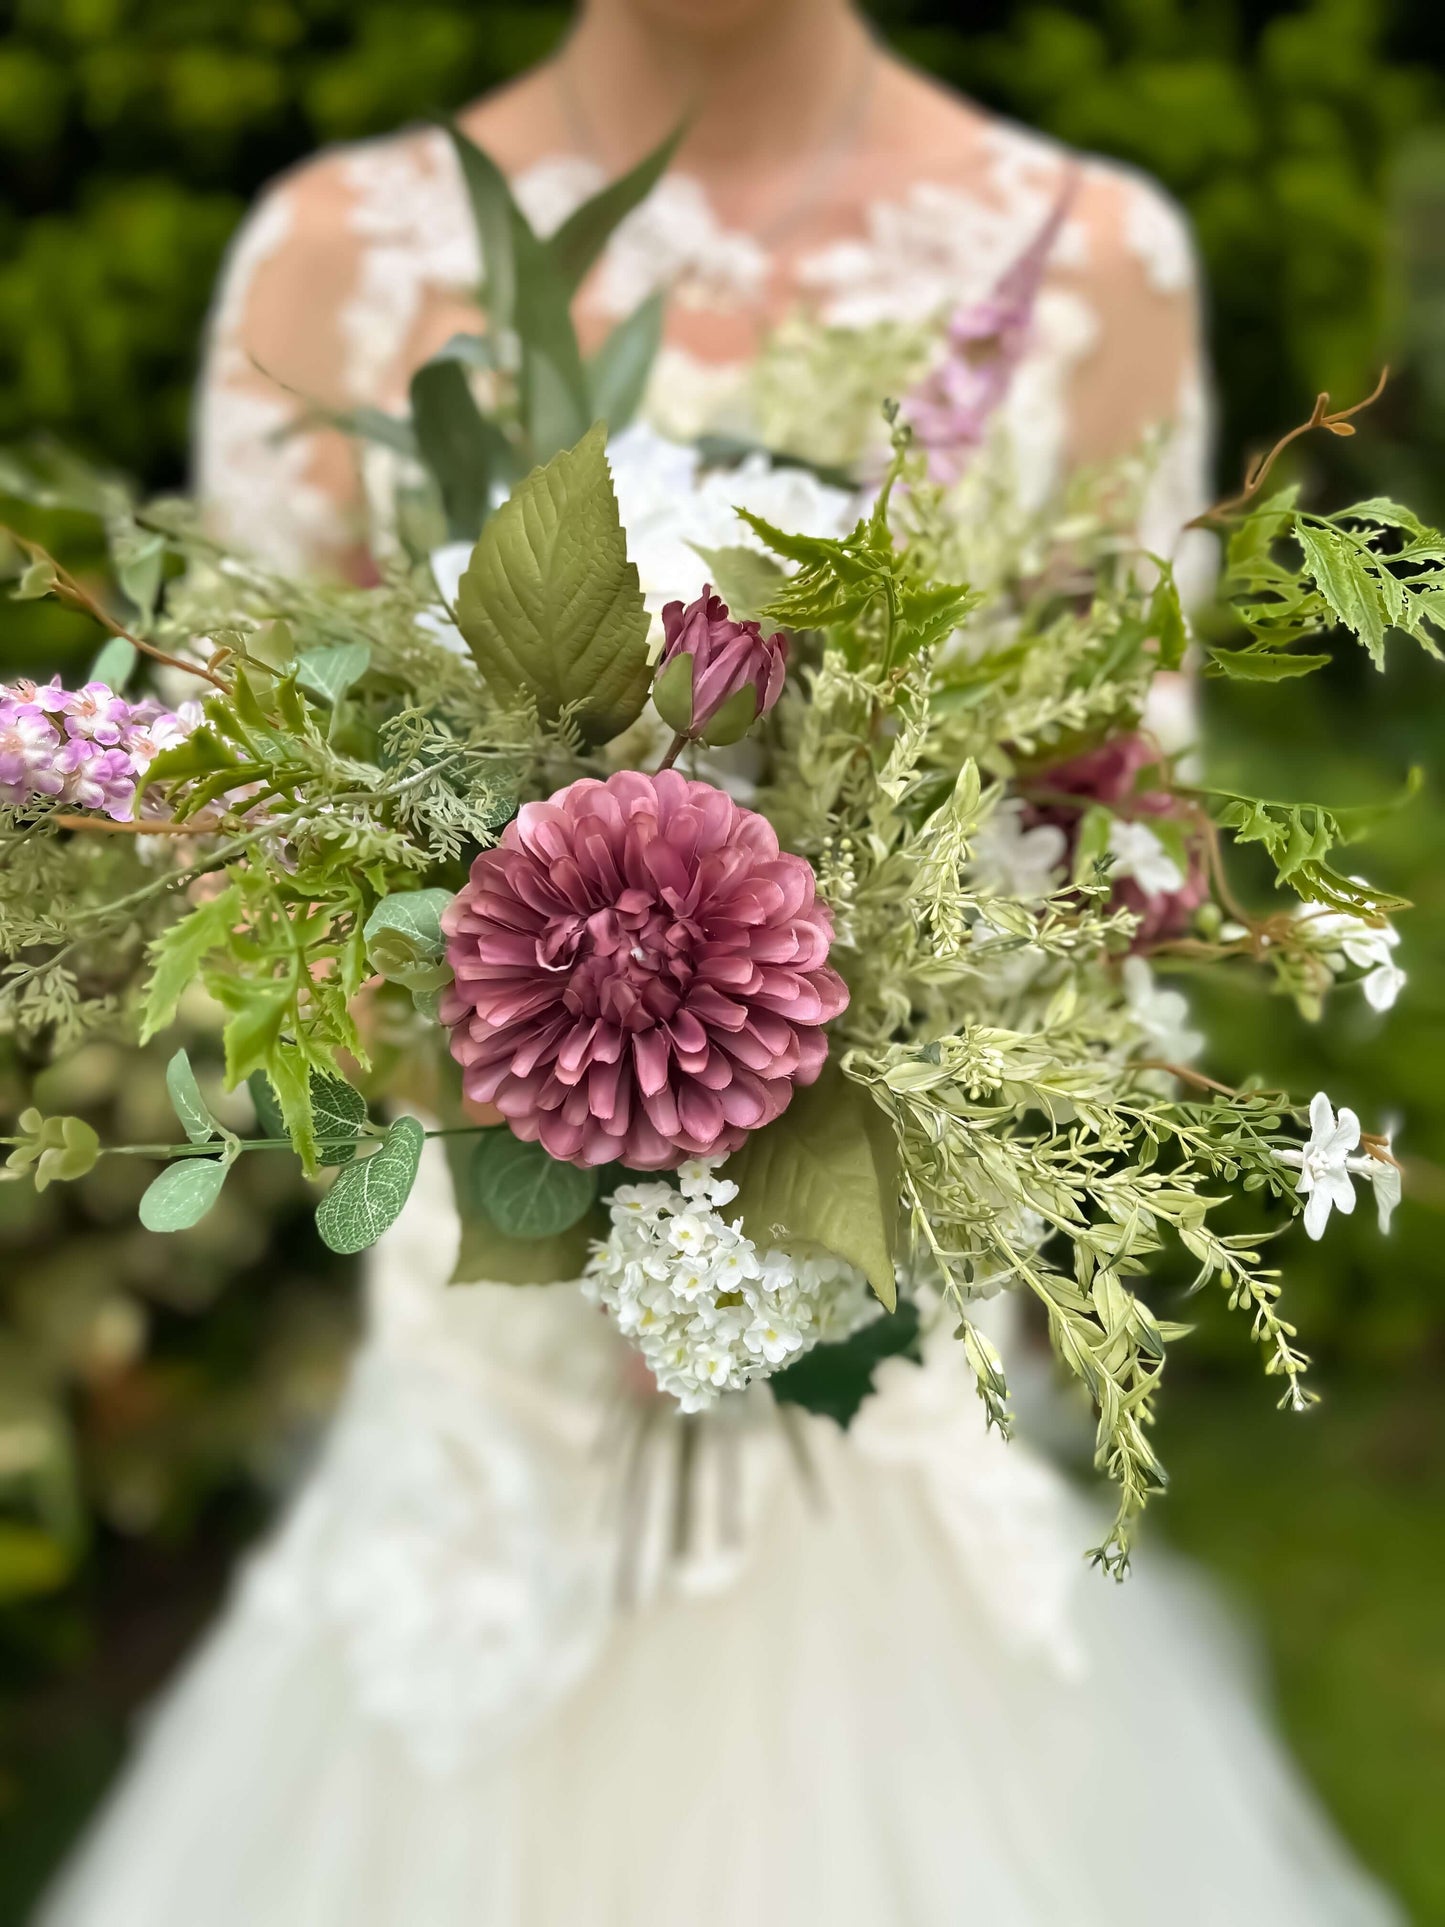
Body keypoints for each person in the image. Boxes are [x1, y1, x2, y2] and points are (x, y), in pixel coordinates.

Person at [39, 2, 1399, 1921]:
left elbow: (1107, 853)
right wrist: (537, 1067)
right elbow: (266, 873)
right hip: (495, 1390)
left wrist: (859, 1052)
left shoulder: (1090, 263)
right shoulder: (338, 260)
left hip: (878, 1342)